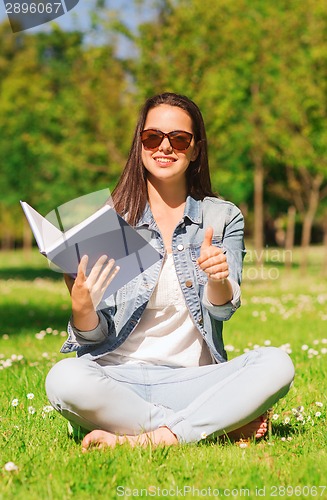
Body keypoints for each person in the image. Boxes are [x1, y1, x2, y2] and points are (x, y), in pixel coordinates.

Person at [45, 92, 294, 450]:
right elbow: (92, 338)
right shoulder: (107, 221)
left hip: (193, 380)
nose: (164, 147)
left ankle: (152, 438)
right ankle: (208, 424)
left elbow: (222, 309)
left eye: (179, 139)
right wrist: (82, 308)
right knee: (64, 379)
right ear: (140, 143)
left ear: (194, 150)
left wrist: (218, 278)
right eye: (152, 137)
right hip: (116, 378)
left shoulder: (221, 217)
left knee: (276, 363)